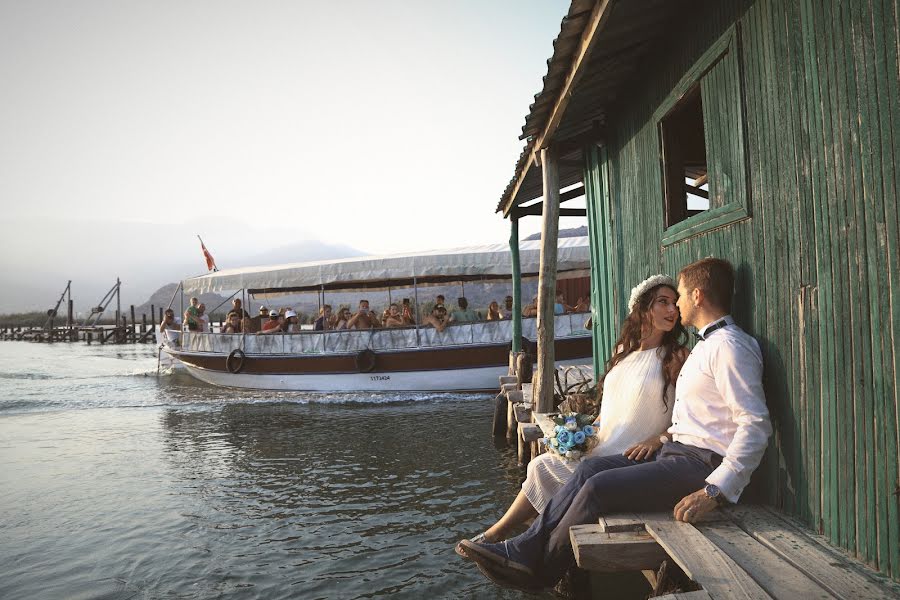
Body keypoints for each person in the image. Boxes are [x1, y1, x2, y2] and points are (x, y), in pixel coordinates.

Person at [457, 258, 772, 591]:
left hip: (701, 464)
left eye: (677, 296)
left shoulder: (730, 347)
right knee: (585, 472)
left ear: (696, 296)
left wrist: (715, 490)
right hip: (676, 454)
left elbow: (755, 424)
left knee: (598, 488)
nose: (676, 306)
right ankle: (523, 547)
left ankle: (543, 569)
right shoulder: (707, 347)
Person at [458, 275, 687, 549]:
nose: (672, 310)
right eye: (663, 302)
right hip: (604, 446)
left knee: (545, 468)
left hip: (636, 456)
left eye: (675, 303)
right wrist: (583, 433)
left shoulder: (676, 356)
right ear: (643, 307)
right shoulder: (623, 351)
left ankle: (503, 537)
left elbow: (686, 416)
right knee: (541, 465)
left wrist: (656, 440)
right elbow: (612, 405)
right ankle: (504, 536)